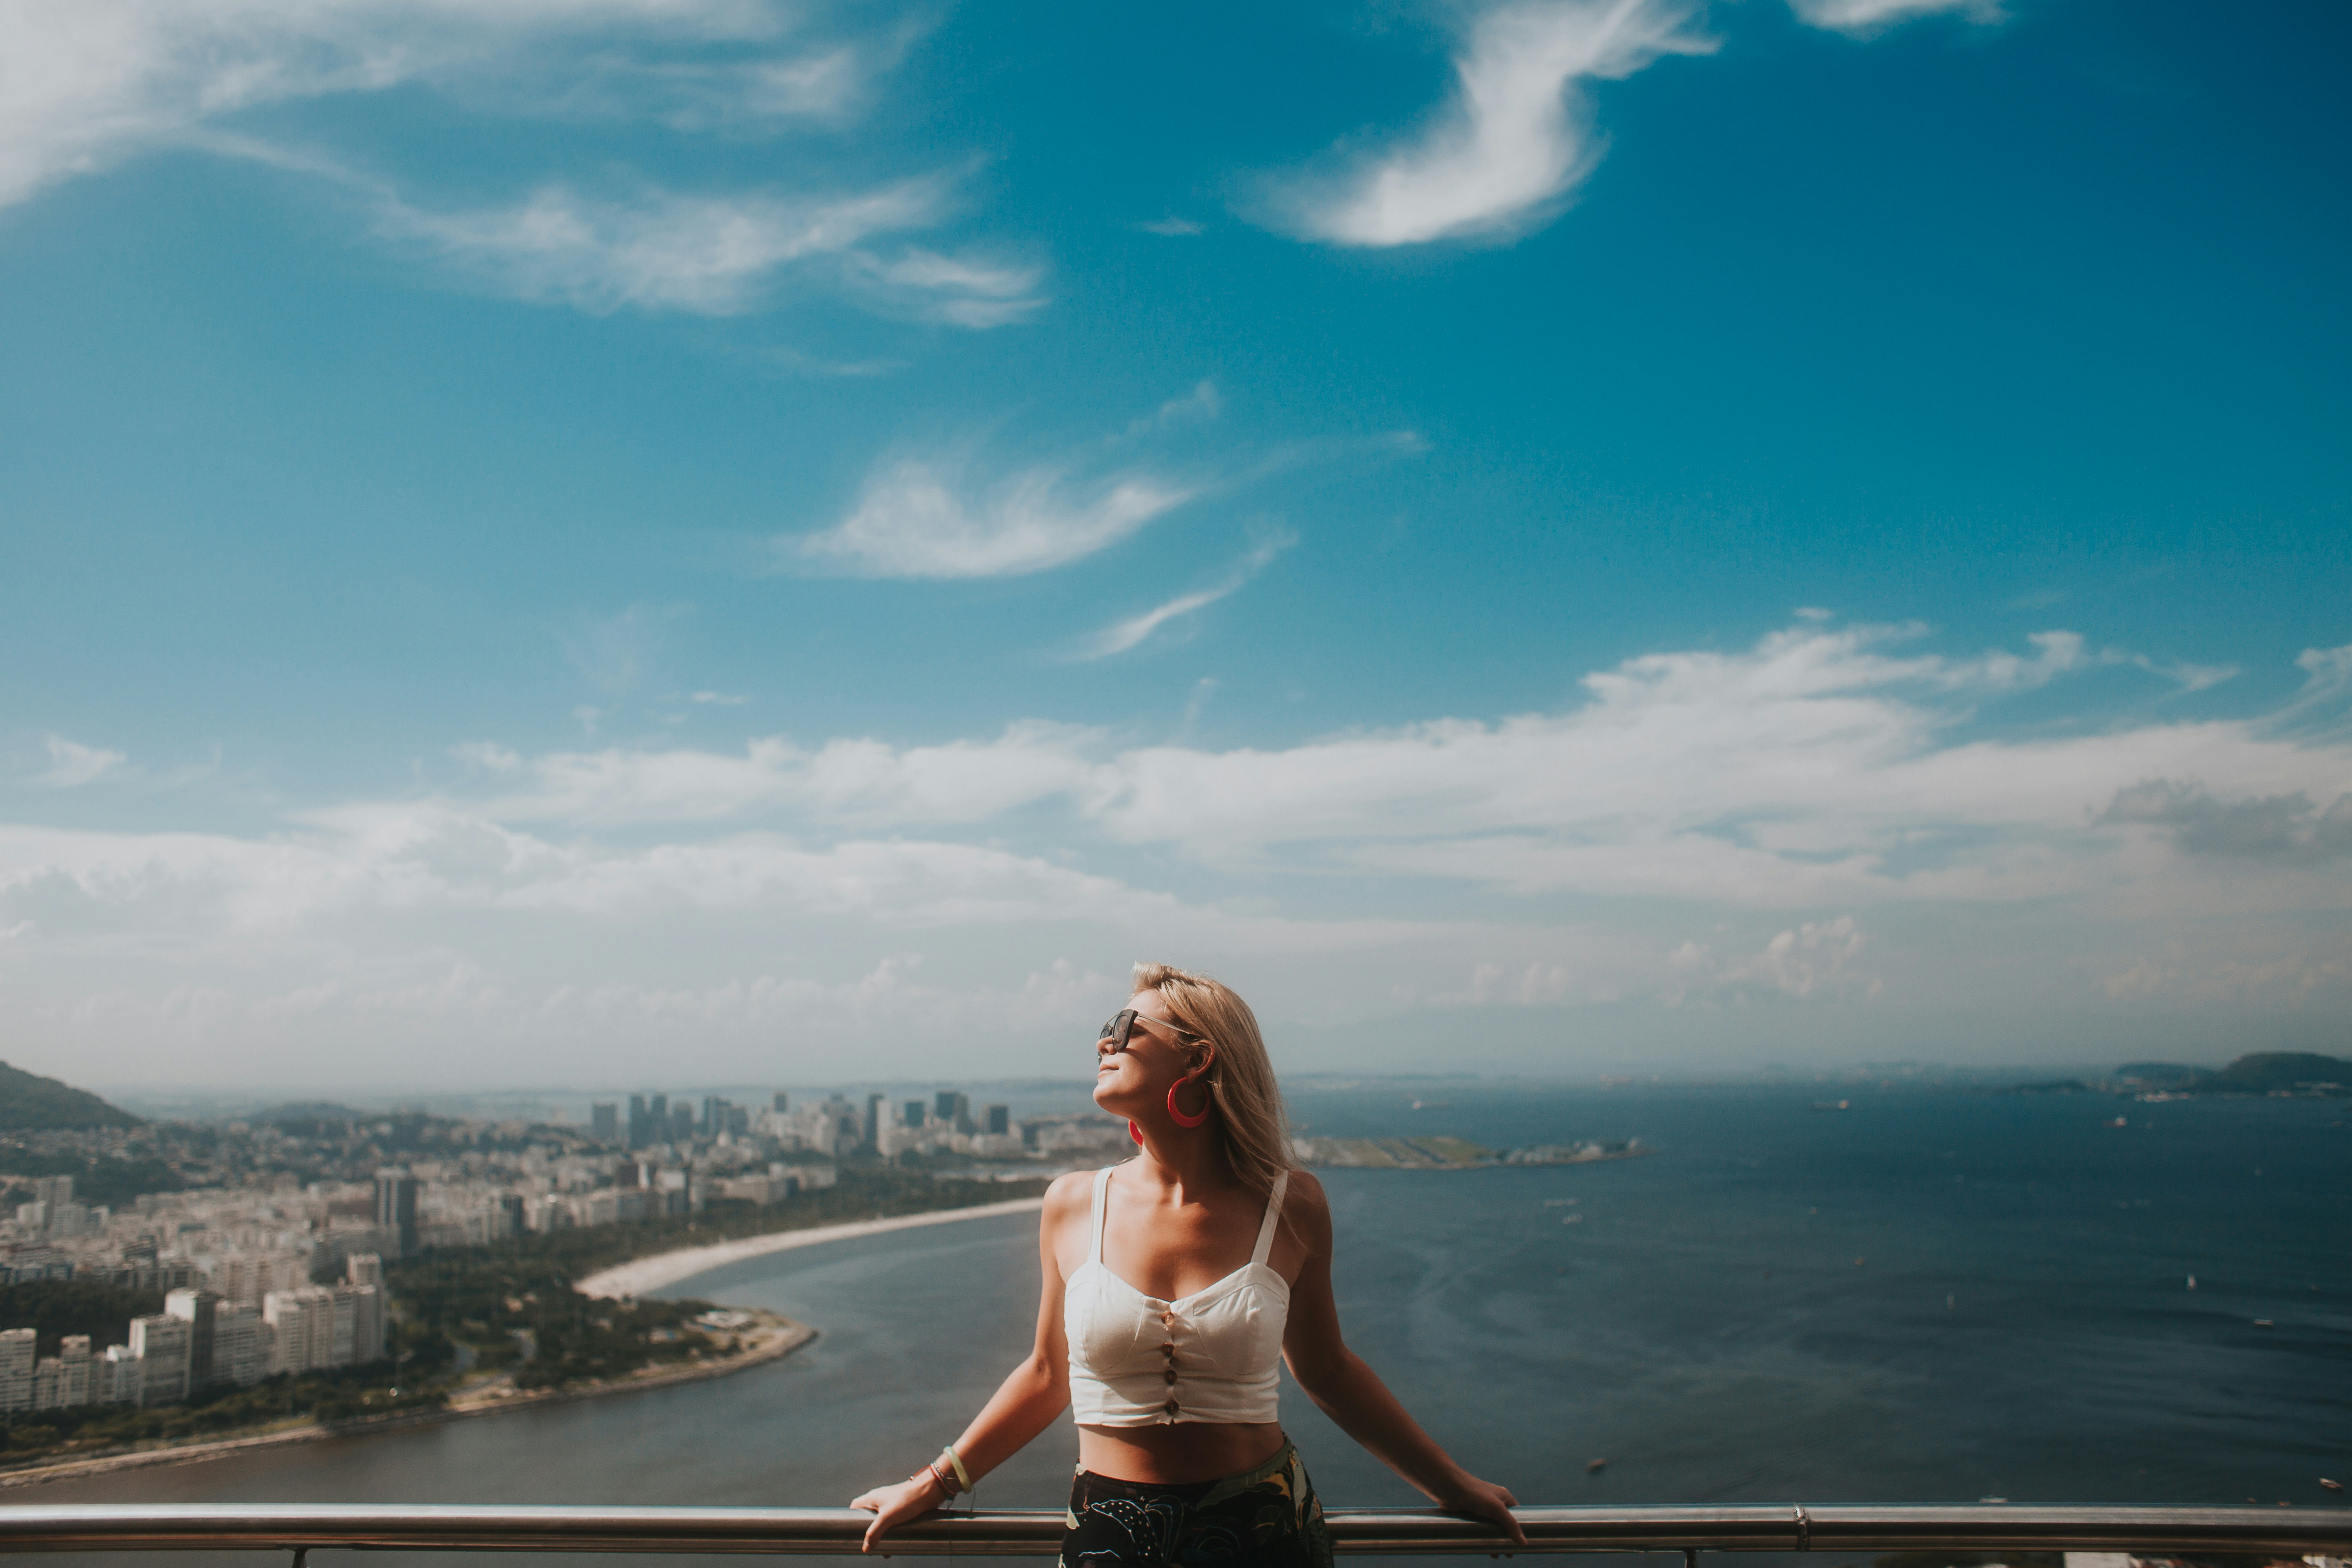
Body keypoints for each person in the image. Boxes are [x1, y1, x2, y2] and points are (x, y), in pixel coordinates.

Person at [852, 962, 1524, 1566]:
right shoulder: (1073, 1204)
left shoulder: (1292, 1205)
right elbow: (1045, 1375)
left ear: (1197, 1057)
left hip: (1267, 1532)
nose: (1103, 1042)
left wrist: (1451, 1485)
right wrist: (932, 1484)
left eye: (1124, 1026)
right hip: (1107, 1536)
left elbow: (1328, 1370)